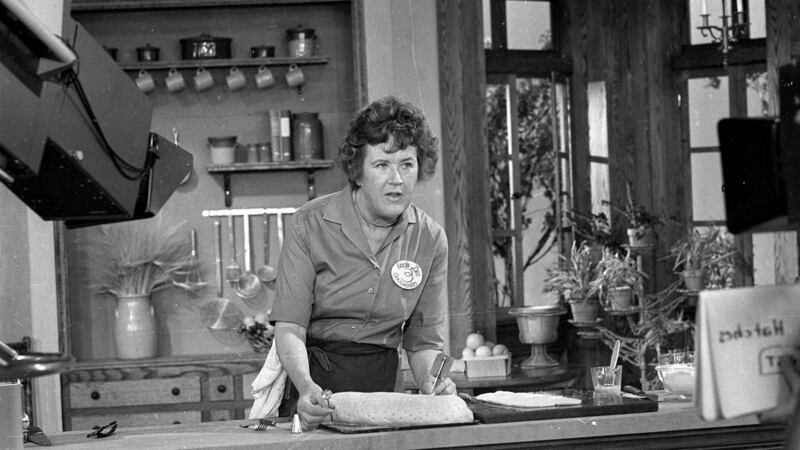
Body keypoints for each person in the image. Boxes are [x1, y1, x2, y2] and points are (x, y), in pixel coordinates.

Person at [270, 95, 455, 430]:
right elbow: (290, 328)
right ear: (357, 171)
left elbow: (423, 340)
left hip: (384, 391)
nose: (397, 179)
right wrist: (306, 388)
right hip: (314, 385)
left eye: (407, 165)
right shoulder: (308, 223)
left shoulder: (430, 239)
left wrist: (433, 383)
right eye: (382, 165)